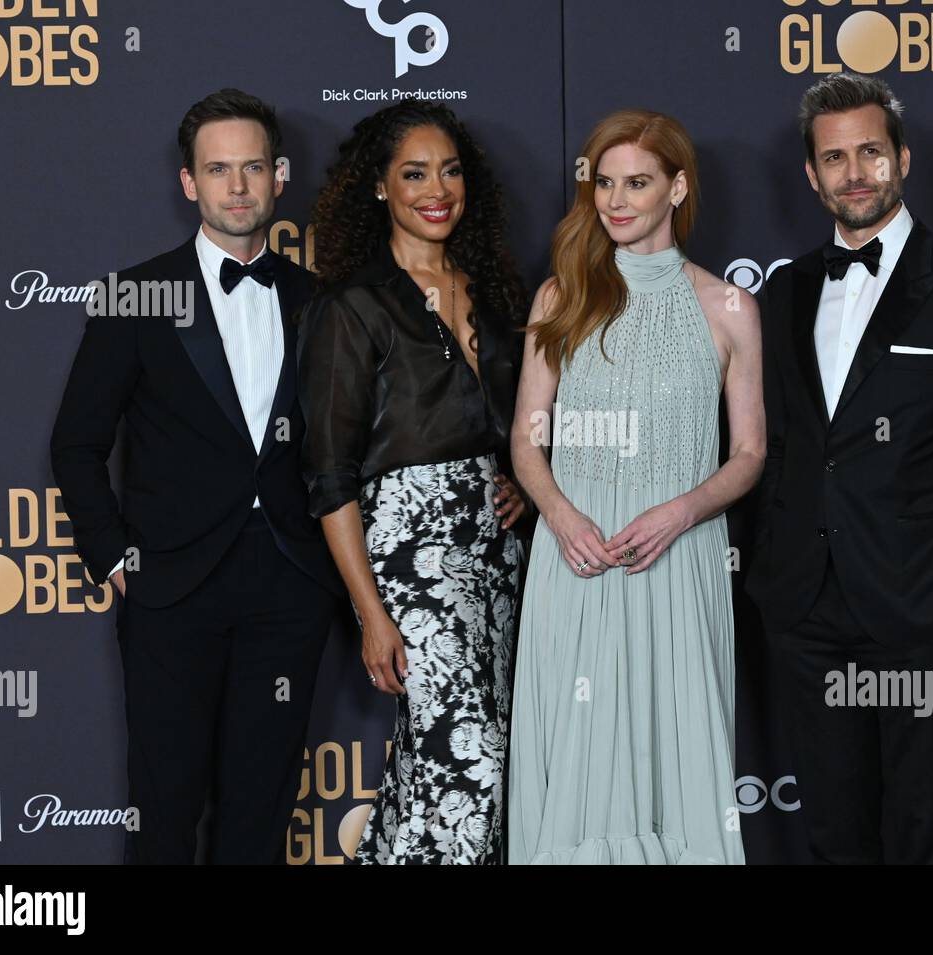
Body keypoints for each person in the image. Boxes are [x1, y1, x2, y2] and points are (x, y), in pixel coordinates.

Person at [746, 72, 933, 864]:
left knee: (926, 835)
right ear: (811, 175)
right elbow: (777, 446)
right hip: (806, 607)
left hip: (919, 607)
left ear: (901, 158)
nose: (854, 173)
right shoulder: (787, 291)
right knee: (834, 834)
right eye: (835, 158)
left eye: (870, 152)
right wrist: (771, 561)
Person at [50, 88, 342, 864]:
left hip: (290, 582)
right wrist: (114, 559)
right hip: (170, 585)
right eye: (218, 170)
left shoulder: (322, 301)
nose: (237, 187)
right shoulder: (133, 297)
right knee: (165, 805)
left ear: (280, 176)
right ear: (190, 183)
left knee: (260, 809)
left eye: (252, 168)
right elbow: (76, 444)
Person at [507, 110, 763, 864]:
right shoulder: (560, 297)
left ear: (677, 188)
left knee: (673, 752)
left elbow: (749, 450)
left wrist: (681, 511)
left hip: (679, 559)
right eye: (605, 183)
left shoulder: (729, 307)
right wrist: (559, 516)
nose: (617, 201)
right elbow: (527, 439)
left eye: (639, 183)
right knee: (581, 756)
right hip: (577, 559)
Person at [298, 100, 529, 864]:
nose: (439, 188)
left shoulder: (494, 291)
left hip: (500, 557)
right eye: (415, 172)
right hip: (409, 561)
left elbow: (528, 425)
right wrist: (371, 613)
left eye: (452, 170)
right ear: (379, 188)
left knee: (437, 776)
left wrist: (525, 483)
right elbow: (329, 477)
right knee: (471, 762)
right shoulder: (352, 305)